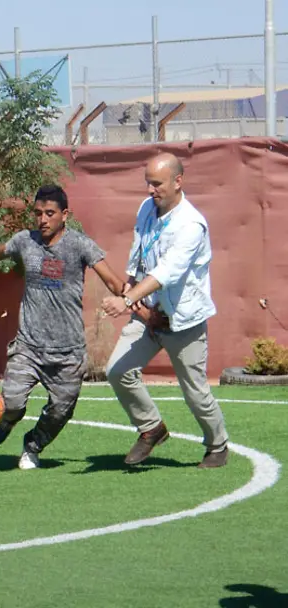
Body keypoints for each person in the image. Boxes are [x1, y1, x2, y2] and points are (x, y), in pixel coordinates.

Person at [0, 185, 127, 469]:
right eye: (38, 213)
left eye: (50, 213)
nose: (43, 219)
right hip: (29, 346)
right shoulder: (26, 241)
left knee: (60, 412)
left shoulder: (80, 245)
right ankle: (8, 420)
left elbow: (112, 280)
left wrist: (133, 299)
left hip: (68, 352)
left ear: (65, 215)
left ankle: (32, 446)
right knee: (11, 402)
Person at [101, 152, 230, 469]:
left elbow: (168, 272)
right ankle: (151, 428)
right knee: (117, 371)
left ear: (178, 181)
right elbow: (139, 258)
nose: (150, 190)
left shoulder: (192, 225)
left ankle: (218, 446)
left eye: (156, 183)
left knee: (195, 393)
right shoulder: (147, 208)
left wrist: (126, 301)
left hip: (183, 321)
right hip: (148, 314)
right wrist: (138, 305)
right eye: (147, 182)